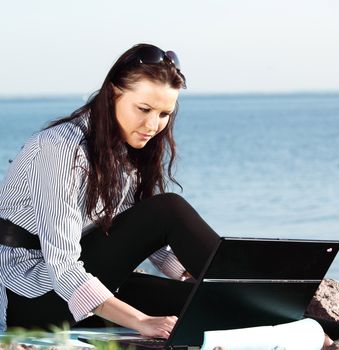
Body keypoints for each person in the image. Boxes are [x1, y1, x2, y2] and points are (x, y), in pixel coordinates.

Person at [0, 43, 220, 337]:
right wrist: (141, 321)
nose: (153, 125)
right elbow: (63, 267)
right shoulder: (59, 149)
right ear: (113, 94)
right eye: (144, 109)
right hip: (28, 298)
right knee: (169, 209)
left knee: (200, 306)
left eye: (164, 113)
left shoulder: (122, 151)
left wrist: (188, 274)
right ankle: (255, 290)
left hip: (78, 288)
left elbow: (142, 236)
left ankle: (266, 298)